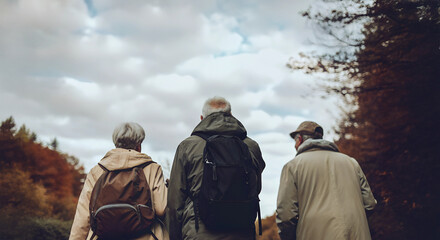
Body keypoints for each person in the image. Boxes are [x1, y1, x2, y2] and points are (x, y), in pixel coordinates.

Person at [167, 96, 266, 240]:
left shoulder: (188, 146)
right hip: (242, 231)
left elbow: (175, 202)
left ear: (202, 118)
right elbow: (255, 188)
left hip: (198, 232)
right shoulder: (251, 146)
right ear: (231, 115)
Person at [276, 121, 377, 240]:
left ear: (300, 139)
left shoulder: (292, 166)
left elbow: (286, 216)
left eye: (295, 141)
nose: (295, 146)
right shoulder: (351, 163)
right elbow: (370, 204)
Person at [69, 122, 168, 240]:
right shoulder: (151, 168)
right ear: (139, 145)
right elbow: (161, 209)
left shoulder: (97, 171)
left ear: (115, 143)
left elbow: (82, 217)